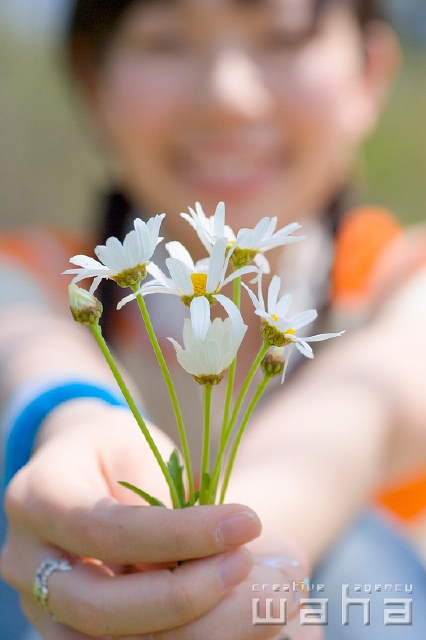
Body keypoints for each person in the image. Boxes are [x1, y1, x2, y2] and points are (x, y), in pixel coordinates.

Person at [1, 0, 426, 638]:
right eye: (166, 41)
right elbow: (25, 345)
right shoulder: (37, 275)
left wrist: (210, 573)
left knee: (359, 569)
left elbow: (375, 397)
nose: (228, 96)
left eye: (282, 38)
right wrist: (77, 418)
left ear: (369, 74)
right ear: (93, 82)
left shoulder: (402, 282)